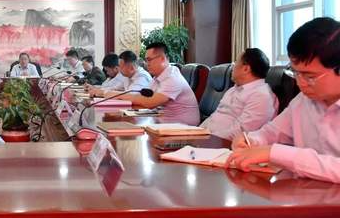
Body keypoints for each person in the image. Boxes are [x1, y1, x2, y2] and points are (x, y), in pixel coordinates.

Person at [227, 17, 340, 183]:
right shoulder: (303, 101)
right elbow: (272, 132)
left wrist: (275, 153)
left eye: (310, 77)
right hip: (305, 193)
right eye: (295, 73)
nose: (300, 83)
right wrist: (251, 140)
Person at [201, 48, 278, 140]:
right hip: (208, 138)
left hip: (223, 144)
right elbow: (214, 117)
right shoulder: (233, 89)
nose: (232, 66)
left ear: (246, 69)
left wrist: (209, 139)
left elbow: (240, 132)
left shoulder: (262, 96)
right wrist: (197, 132)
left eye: (236, 62)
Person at [117, 42, 200, 125]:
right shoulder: (157, 77)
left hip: (183, 128)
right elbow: (142, 98)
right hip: (162, 122)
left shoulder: (172, 78)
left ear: (162, 59)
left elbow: (149, 103)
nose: (147, 64)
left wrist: (117, 95)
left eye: (149, 60)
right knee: (123, 122)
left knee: (127, 128)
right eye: (146, 60)